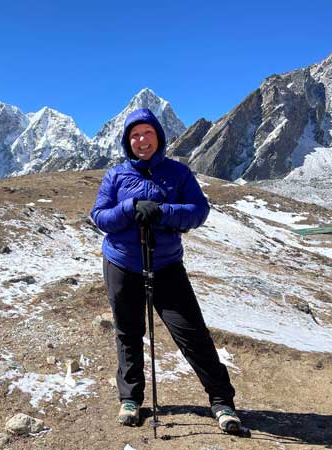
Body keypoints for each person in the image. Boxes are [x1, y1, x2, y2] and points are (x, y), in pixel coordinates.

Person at [90, 108, 243, 434]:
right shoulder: (116, 176)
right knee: (128, 332)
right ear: (126, 142)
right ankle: (130, 398)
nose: (141, 140)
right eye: (134, 135)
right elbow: (99, 217)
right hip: (122, 263)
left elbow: (198, 211)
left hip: (166, 265)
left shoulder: (178, 173)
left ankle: (222, 401)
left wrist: (162, 212)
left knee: (192, 333)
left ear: (158, 136)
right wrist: (129, 209)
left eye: (147, 133)